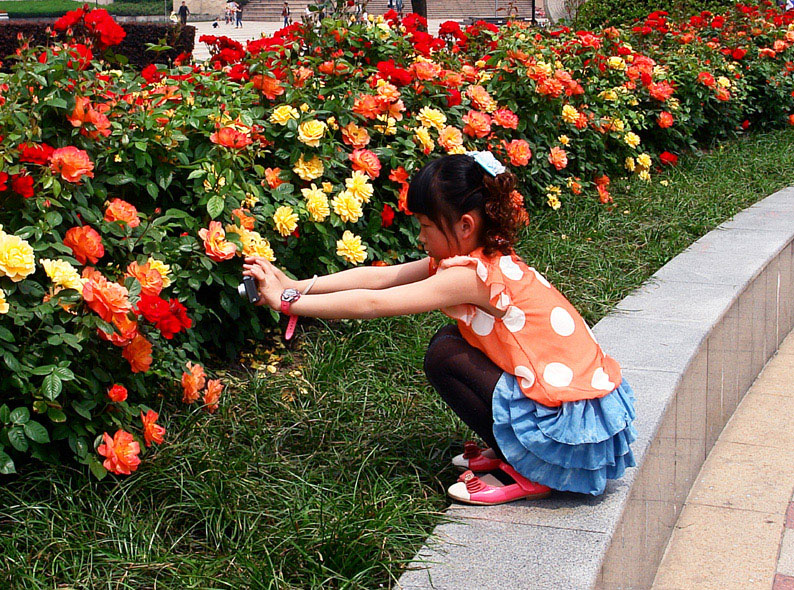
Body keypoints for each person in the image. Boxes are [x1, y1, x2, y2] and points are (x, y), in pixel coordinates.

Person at [243, 153, 636, 505]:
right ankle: (514, 448)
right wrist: (296, 285)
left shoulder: (473, 276)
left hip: (567, 426)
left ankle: (532, 468)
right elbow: (382, 279)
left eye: (426, 226)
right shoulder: (480, 258)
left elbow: (375, 303)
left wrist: (287, 303)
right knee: (451, 341)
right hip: (574, 400)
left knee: (445, 355)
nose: (420, 237)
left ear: (464, 226)